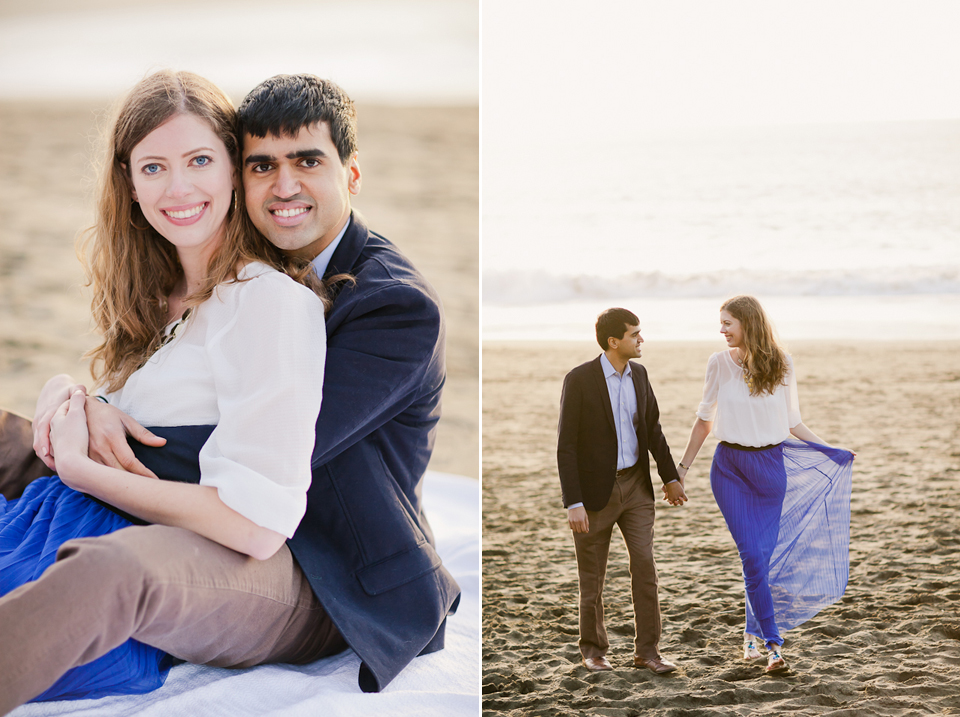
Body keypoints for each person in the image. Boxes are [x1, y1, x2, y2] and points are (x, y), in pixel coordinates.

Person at [0, 73, 459, 711]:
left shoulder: (388, 307)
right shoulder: (199, 276)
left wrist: (87, 441)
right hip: (211, 504)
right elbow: (180, 404)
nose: (284, 187)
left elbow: (256, 459)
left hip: (321, 558)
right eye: (262, 165)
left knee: (112, 563)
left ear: (352, 174)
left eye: (308, 162)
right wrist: (75, 399)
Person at [673, 295, 854, 674]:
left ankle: (749, 637)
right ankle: (774, 646)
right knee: (752, 557)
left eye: (727, 323)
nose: (721, 330)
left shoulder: (782, 362)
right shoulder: (718, 363)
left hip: (771, 469)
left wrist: (829, 450)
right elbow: (705, 420)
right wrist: (682, 468)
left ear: (748, 323)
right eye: (720, 323)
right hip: (731, 470)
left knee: (761, 560)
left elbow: (793, 422)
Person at [557, 308, 686, 674]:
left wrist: (670, 476)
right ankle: (594, 651)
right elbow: (565, 446)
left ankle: (647, 652)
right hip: (594, 494)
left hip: (636, 487)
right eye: (635, 334)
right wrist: (574, 502)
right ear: (614, 341)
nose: (641, 339)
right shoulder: (580, 379)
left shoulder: (640, 375)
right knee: (592, 577)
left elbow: (653, 429)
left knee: (645, 566)